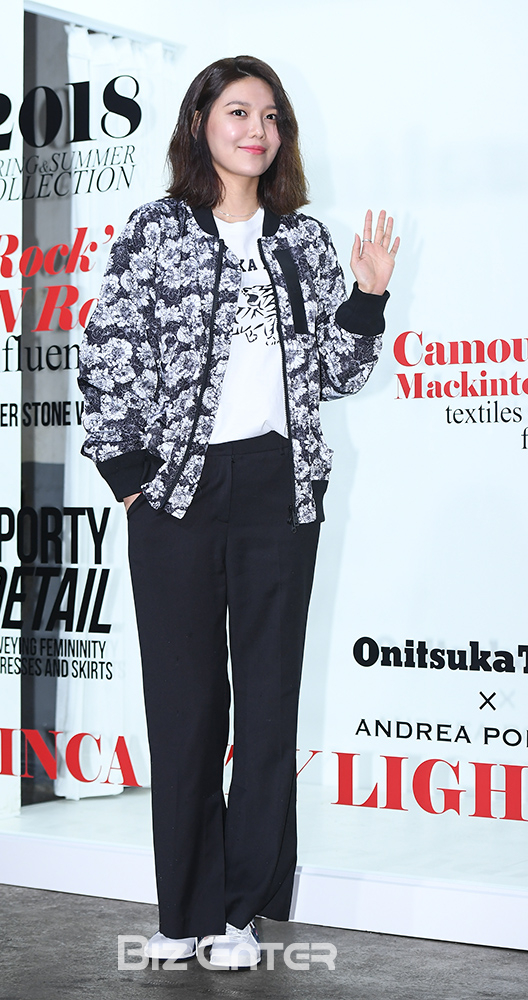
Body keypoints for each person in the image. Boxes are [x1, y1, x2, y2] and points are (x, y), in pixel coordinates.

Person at [78, 54, 399, 969]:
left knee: (267, 707)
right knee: (185, 708)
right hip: (176, 491)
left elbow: (334, 374)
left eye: (269, 116)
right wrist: (131, 476)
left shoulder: (302, 241)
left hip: (277, 488)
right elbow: (107, 351)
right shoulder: (157, 231)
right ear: (201, 124)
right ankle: (184, 912)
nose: (256, 129)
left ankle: (240, 914)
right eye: (238, 112)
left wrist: (368, 296)